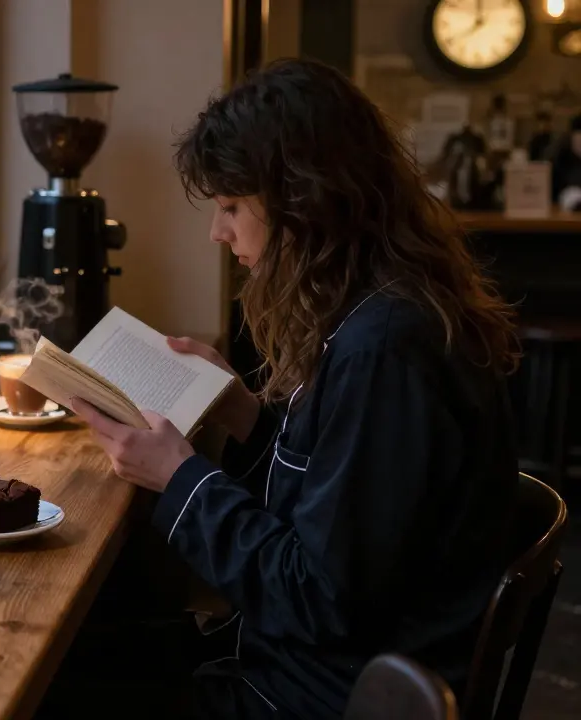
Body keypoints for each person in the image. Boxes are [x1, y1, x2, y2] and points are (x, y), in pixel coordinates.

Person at [70, 59, 520, 719]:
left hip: (314, 696)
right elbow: (346, 510)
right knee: (93, 649)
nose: (218, 234)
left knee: (60, 683)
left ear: (306, 202)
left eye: (231, 207)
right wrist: (249, 416)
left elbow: (319, 598)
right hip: (311, 668)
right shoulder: (383, 311)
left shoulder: (387, 349)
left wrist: (182, 479)